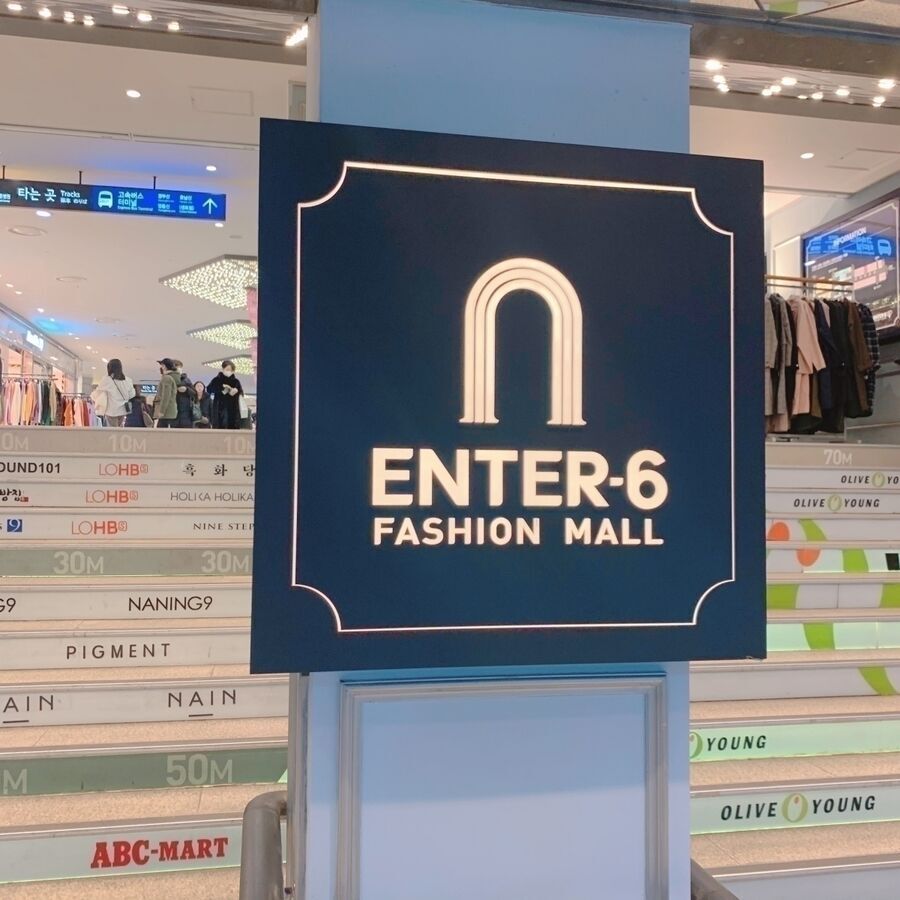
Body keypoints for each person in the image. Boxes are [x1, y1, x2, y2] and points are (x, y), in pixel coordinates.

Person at [93, 358, 134, 427]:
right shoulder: (127, 380)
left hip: (111, 410)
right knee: (120, 428)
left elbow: (98, 392)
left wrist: (94, 398)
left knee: (113, 430)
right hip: (123, 409)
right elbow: (132, 394)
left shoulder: (107, 379)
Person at [207, 360, 244, 429]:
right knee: (219, 431)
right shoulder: (216, 380)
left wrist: (237, 391)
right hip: (219, 412)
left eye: (231, 370)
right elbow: (209, 389)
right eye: (227, 369)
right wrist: (221, 388)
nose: (229, 371)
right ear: (223, 369)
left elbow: (241, 393)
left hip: (233, 412)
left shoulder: (236, 381)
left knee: (232, 430)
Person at [154, 358, 180, 428]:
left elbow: (166, 395)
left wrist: (161, 411)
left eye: (162, 366)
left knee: (161, 432)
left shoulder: (166, 378)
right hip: (170, 411)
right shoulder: (172, 377)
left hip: (166, 413)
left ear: (164, 366)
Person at [172, 360, 197, 429]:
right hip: (173, 413)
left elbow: (194, 393)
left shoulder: (186, 380)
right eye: (177, 367)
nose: (179, 369)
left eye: (180, 368)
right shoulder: (170, 379)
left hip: (186, 413)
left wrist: (186, 390)